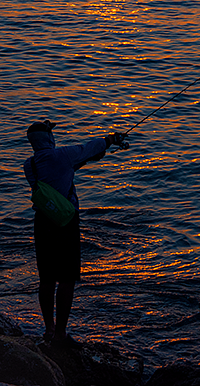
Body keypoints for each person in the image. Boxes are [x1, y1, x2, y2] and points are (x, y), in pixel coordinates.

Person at [23, 119, 126, 347]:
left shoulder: (30, 165)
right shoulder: (62, 156)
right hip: (65, 221)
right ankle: (61, 334)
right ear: (49, 138)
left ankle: (49, 329)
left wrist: (93, 156)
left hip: (42, 221)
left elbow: (62, 171)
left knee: (47, 279)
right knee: (67, 279)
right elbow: (87, 148)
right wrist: (111, 139)